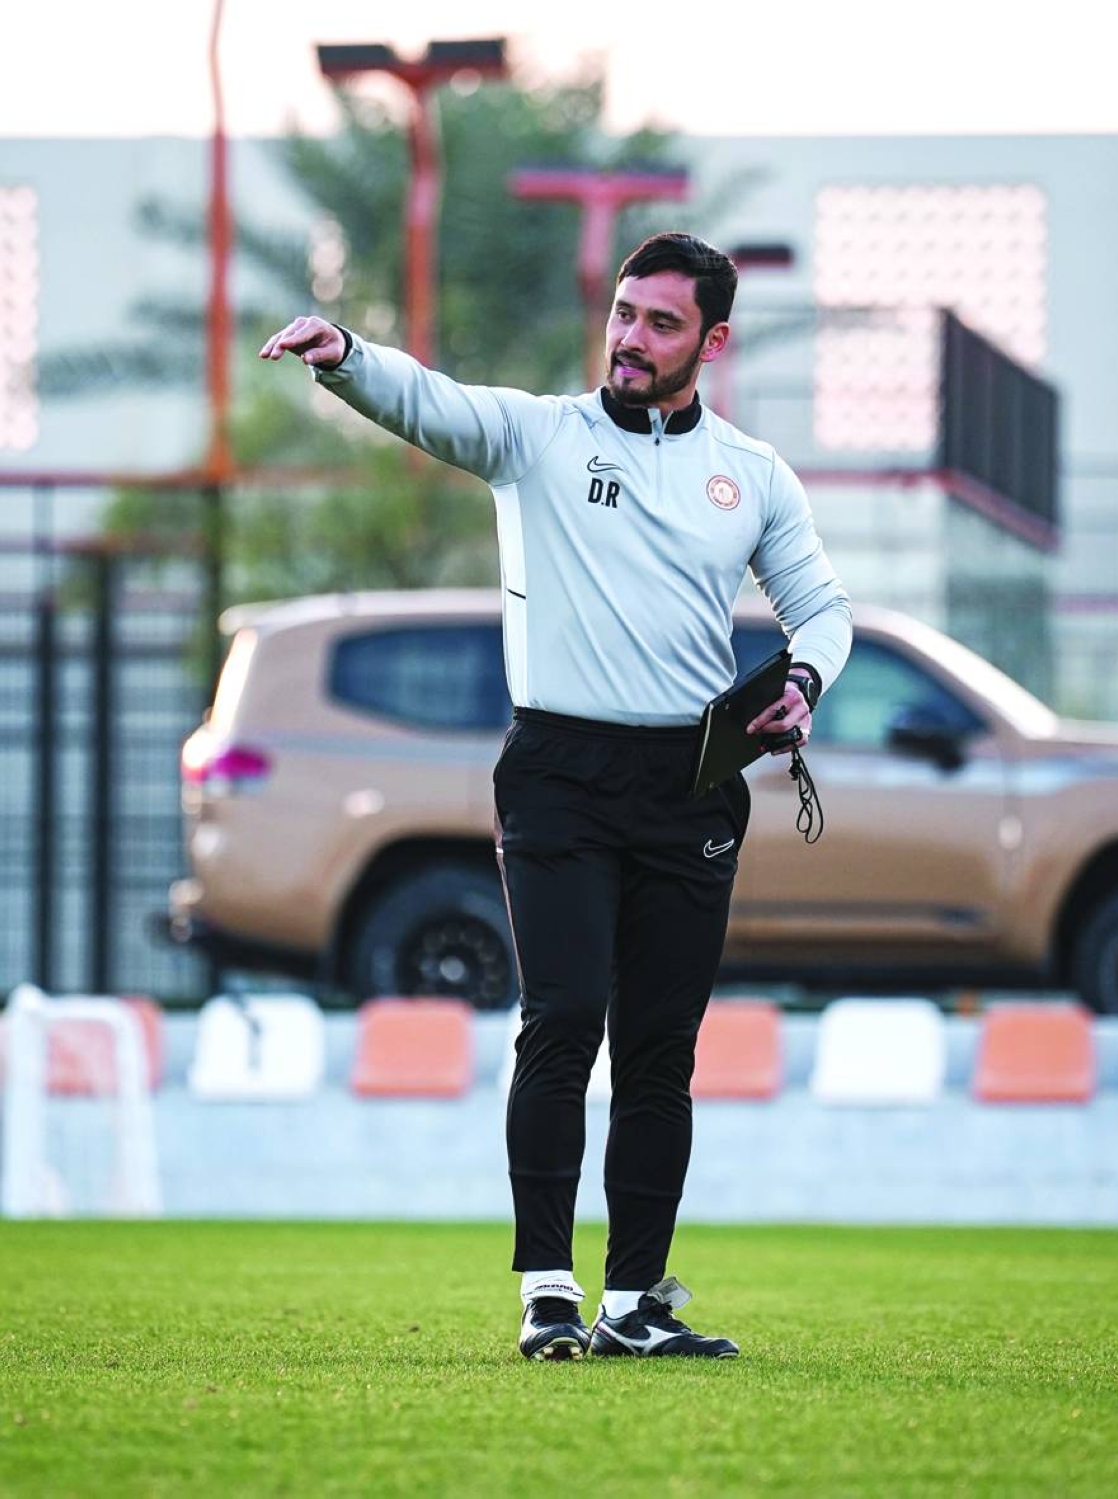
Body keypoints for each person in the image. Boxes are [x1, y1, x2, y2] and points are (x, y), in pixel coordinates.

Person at [260, 231, 852, 1361]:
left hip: (693, 783)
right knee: (565, 1016)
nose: (631, 336)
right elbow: (431, 404)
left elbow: (822, 606)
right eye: (624, 312)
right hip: (558, 776)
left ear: (712, 341)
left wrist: (806, 681)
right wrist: (346, 354)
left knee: (661, 1048)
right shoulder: (538, 436)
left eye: (661, 322)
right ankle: (547, 1287)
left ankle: (635, 1303)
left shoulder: (754, 474)